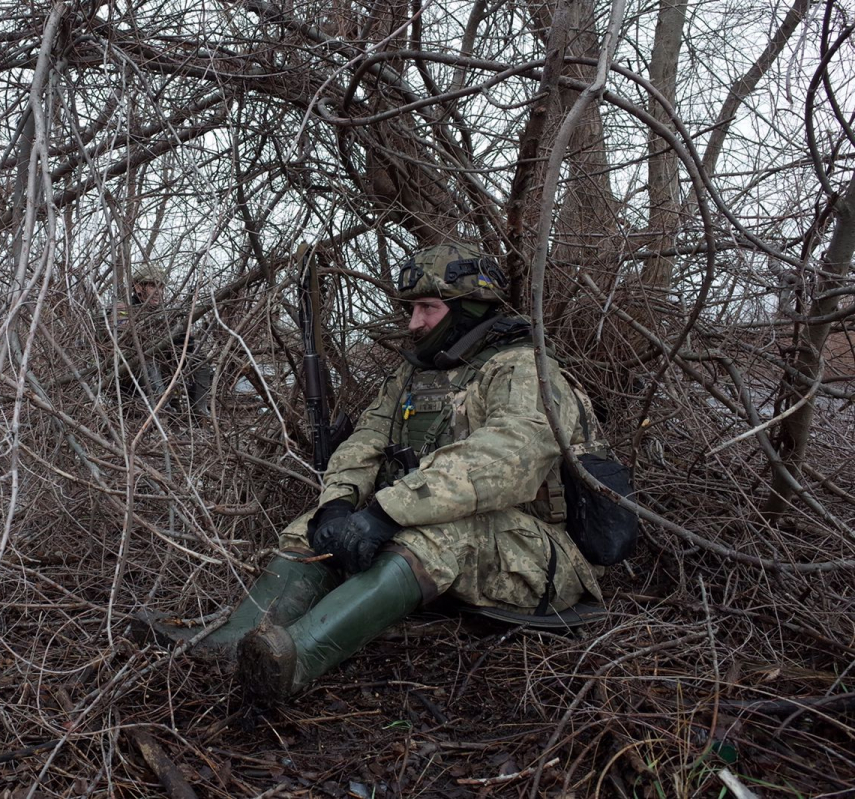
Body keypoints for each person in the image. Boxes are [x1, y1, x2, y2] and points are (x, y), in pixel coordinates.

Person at [141, 243, 604, 701]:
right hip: (462, 543)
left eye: (428, 307)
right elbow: (367, 438)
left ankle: (294, 661)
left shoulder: (525, 371)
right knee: (314, 532)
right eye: (412, 308)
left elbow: (505, 459)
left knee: (429, 537)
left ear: (471, 309)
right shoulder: (415, 376)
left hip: (538, 557)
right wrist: (338, 503)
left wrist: (386, 512)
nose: (414, 322)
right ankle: (234, 640)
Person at [113, 264, 212, 413]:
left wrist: (185, 342)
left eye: (161, 287)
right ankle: (162, 412)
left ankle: (200, 413)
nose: (159, 292)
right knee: (148, 360)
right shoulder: (123, 309)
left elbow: (180, 342)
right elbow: (123, 344)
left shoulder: (165, 313)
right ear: (138, 287)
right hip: (126, 374)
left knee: (199, 359)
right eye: (153, 286)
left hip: (160, 369)